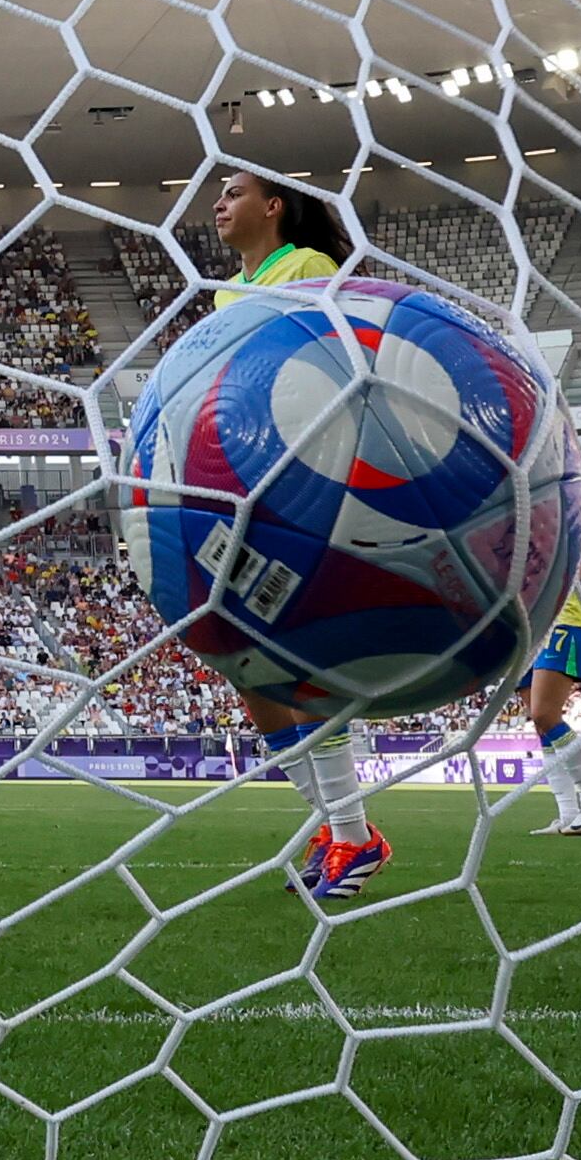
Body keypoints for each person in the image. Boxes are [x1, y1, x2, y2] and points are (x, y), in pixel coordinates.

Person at [200, 167, 389, 897]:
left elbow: (332, 367)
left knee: (293, 659)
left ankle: (351, 839)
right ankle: (344, 828)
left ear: (273, 207)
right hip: (248, 484)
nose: (218, 202)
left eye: (234, 191)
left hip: (308, 480)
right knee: (244, 665)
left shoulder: (308, 268)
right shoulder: (224, 291)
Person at [525, 537, 581, 836]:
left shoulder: (558, 507)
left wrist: (556, 583)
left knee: (545, 714)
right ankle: (567, 812)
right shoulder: (497, 522)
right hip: (525, 629)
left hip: (561, 623)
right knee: (540, 724)